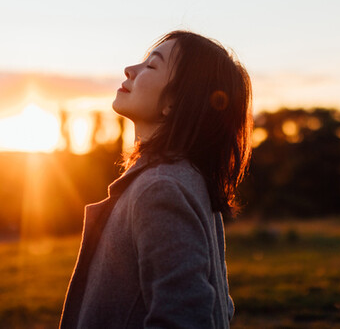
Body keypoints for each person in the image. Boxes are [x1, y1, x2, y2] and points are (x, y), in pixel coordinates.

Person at [59, 30, 252, 328]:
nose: (130, 70)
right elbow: (218, 306)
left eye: (151, 66)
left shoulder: (161, 188)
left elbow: (186, 318)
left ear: (175, 102)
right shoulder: (185, 177)